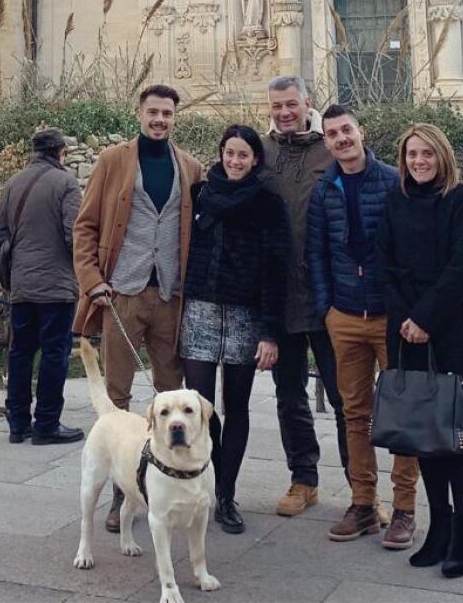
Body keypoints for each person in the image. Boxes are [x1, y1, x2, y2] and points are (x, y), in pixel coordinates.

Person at [73, 84, 203, 532]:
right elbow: (85, 226)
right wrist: (93, 282)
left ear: (174, 118)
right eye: (153, 112)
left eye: (167, 113)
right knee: (118, 396)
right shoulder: (113, 161)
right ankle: (120, 497)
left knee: (172, 395)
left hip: (169, 294)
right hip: (121, 293)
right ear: (139, 113)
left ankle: (171, 487)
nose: (160, 120)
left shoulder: (189, 166)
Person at [379, 123, 463, 579]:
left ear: (442, 157)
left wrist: (427, 318)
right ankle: (438, 527)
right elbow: (384, 264)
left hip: (451, 330)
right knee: (424, 434)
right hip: (406, 330)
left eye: (427, 154)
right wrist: (408, 320)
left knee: (459, 436)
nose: (419, 162)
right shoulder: (396, 201)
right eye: (412, 154)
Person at [307, 104, 419, 551]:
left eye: (346, 130)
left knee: (403, 413)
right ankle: (363, 504)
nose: (341, 139)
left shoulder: (394, 181)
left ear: (361, 131)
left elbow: (411, 248)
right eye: (332, 134)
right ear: (327, 141)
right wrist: (326, 307)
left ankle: (405, 509)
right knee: (355, 414)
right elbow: (315, 252)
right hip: (345, 316)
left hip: (390, 317)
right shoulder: (324, 189)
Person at [180, 124, 288, 535]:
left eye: (243, 155)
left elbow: (276, 270)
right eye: (229, 153)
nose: (235, 161)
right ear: (221, 154)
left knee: (236, 406)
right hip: (201, 312)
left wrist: (269, 331)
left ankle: (226, 493)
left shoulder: (267, 203)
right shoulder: (201, 195)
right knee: (200, 407)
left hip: (245, 315)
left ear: (255, 158)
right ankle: (203, 485)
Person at [260, 75, 355, 522]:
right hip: (280, 297)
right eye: (277, 105)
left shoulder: (328, 148)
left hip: (329, 295)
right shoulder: (262, 152)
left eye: (291, 104)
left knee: (345, 396)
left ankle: (362, 485)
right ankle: (303, 479)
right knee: (289, 394)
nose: (284, 112)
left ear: (306, 103)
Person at [0, 128, 85, 446]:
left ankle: (17, 424)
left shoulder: (13, 183)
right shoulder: (66, 183)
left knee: (19, 353)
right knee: (54, 353)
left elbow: (1, 234)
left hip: (21, 284)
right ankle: (47, 423)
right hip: (56, 285)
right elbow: (74, 236)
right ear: (60, 152)